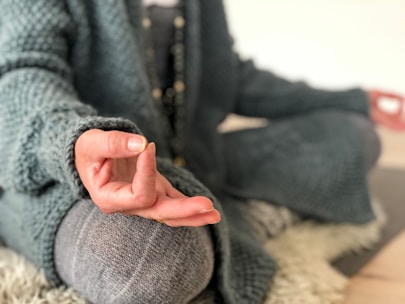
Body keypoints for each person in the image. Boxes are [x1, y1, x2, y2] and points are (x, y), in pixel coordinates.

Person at [0, 0, 404, 303]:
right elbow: (22, 73)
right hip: (66, 175)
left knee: (353, 134)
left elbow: (232, 78)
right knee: (154, 263)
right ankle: (231, 216)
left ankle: (223, 216)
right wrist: (75, 141)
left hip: (195, 162)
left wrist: (355, 100)